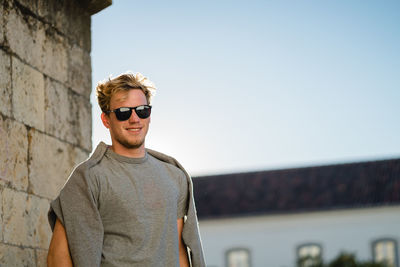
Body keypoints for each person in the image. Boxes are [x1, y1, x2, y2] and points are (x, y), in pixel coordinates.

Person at [47, 72, 205, 267]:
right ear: (106, 120)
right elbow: (58, 258)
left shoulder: (174, 176)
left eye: (142, 110)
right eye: (123, 112)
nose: (134, 119)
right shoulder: (88, 178)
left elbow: (179, 252)